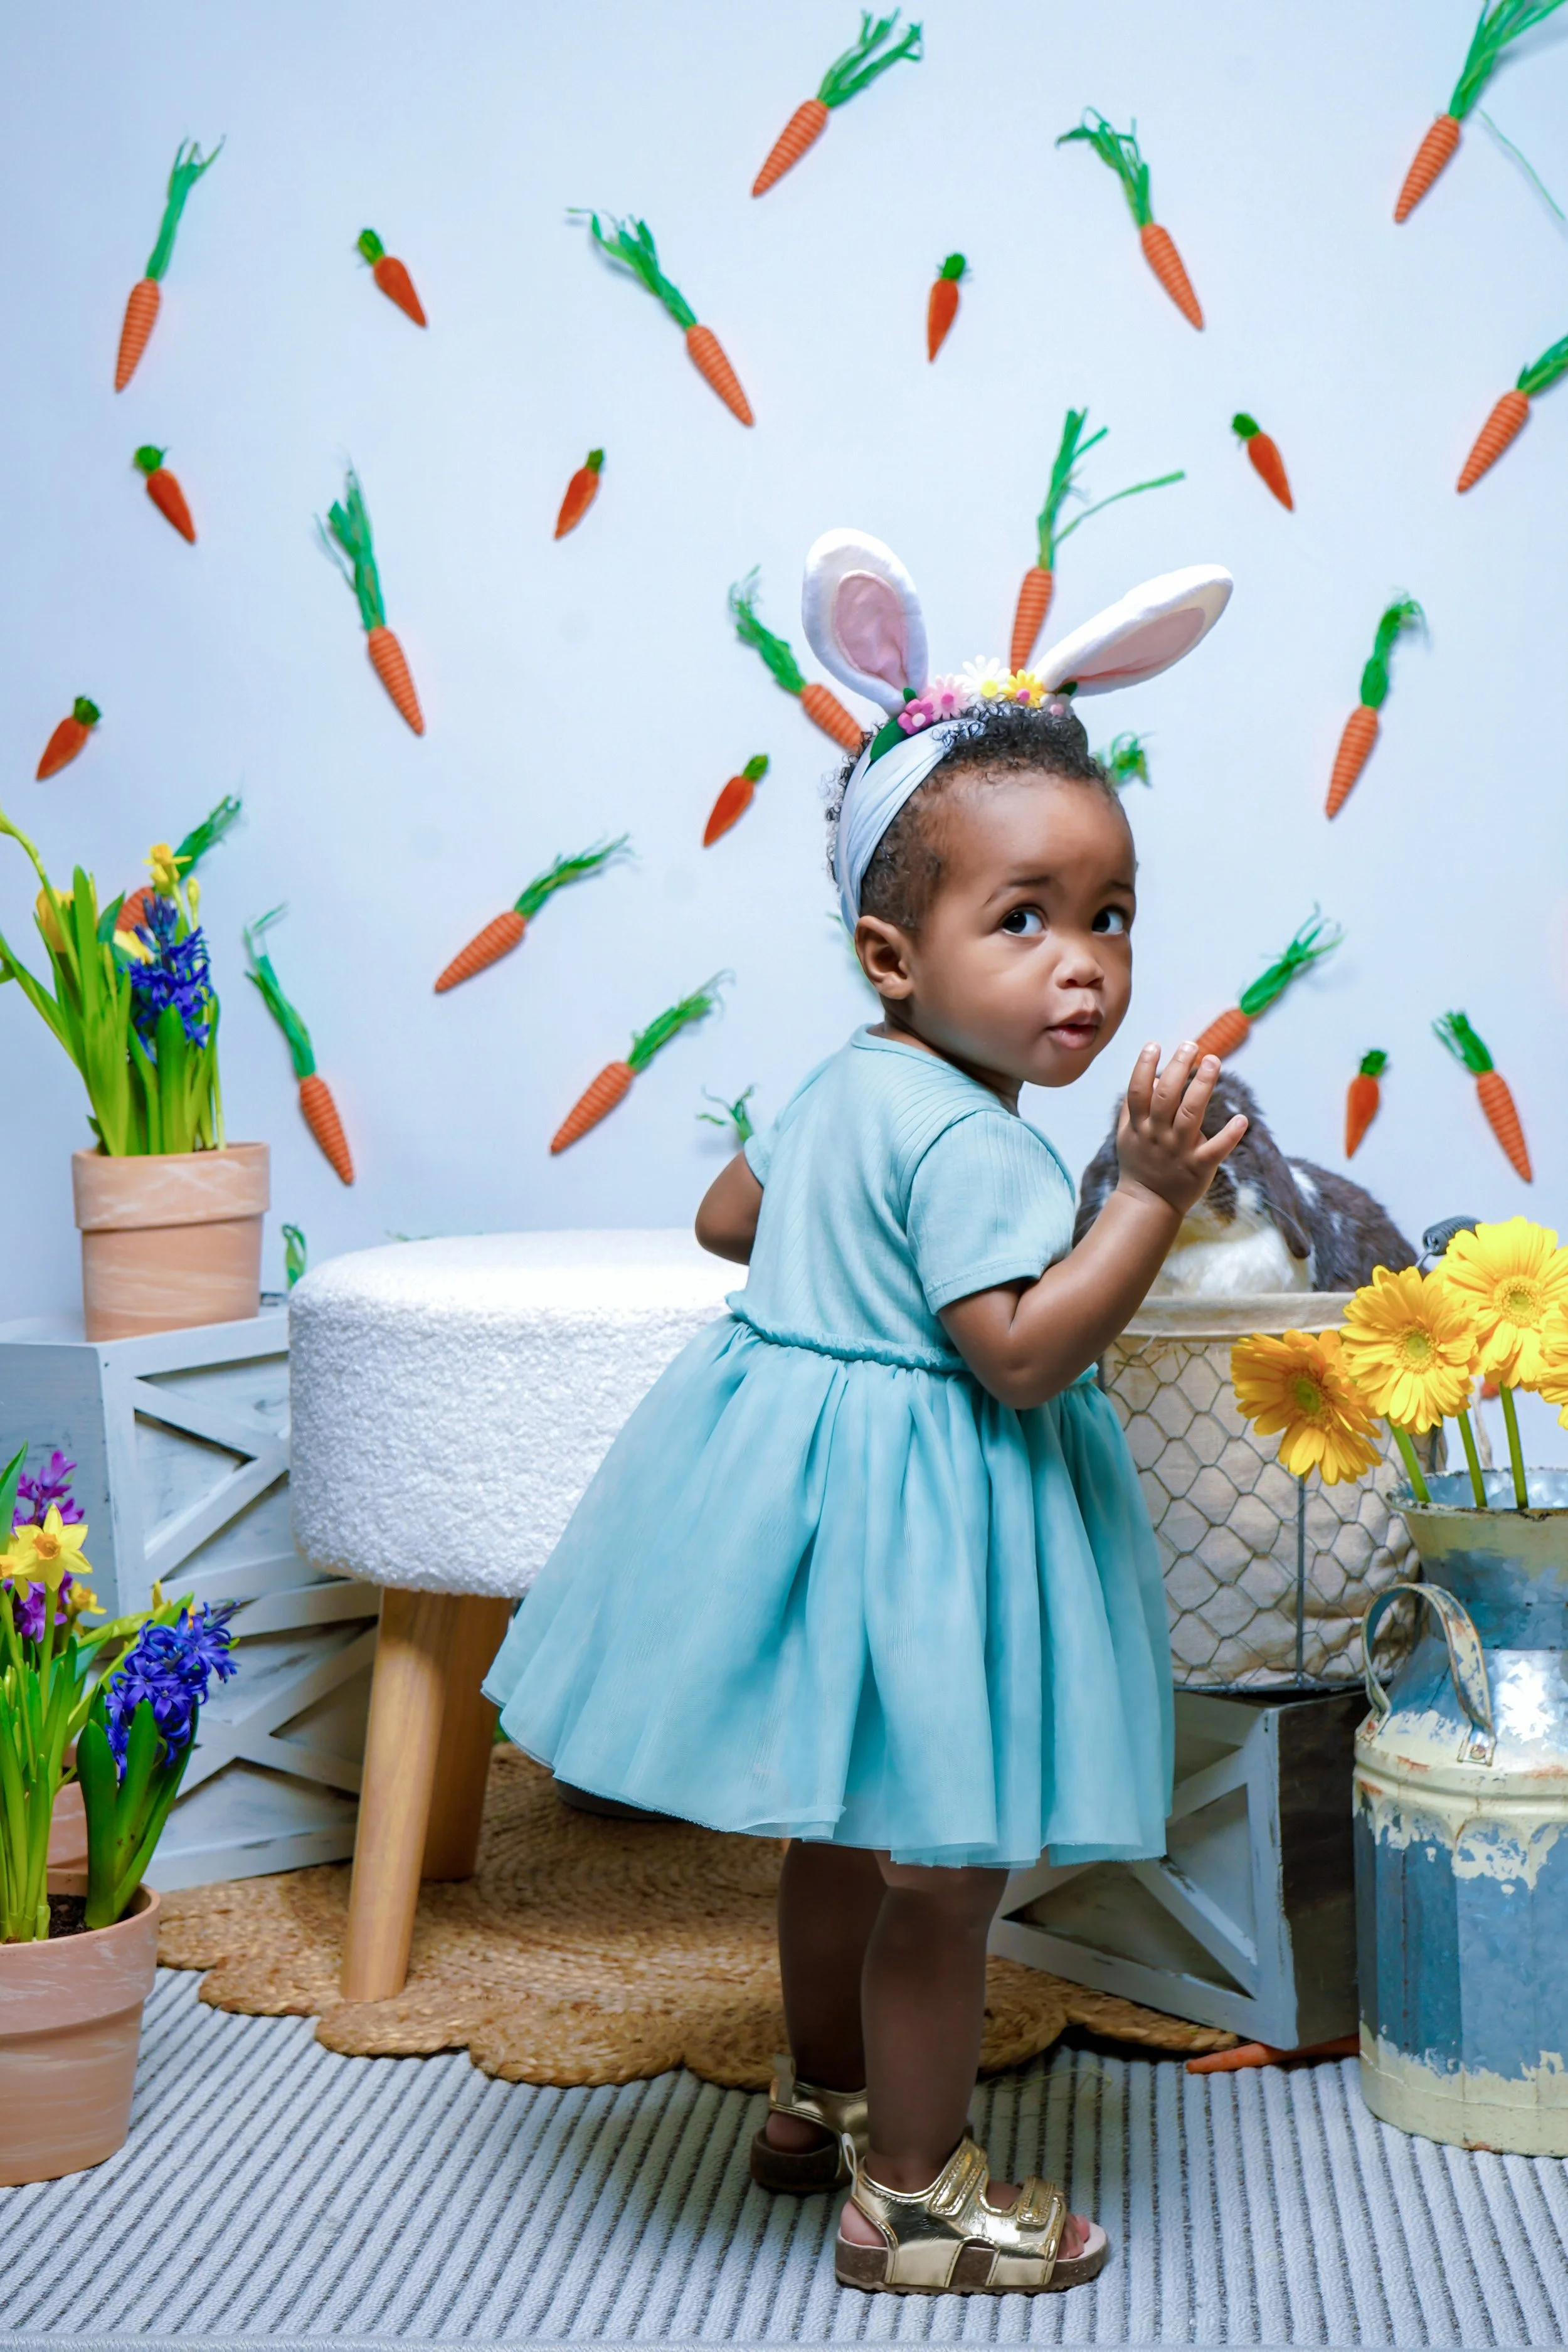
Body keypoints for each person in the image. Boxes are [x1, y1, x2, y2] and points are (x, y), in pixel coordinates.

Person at [485, 534, 1241, 2296]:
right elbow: (1023, 1356)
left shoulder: (844, 1082)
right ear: (892, 953)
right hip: (933, 1522)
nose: (1083, 966)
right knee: (945, 1871)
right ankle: (913, 2192)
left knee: (834, 1825)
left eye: (1107, 913)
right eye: (1025, 918)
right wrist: (1137, 1197)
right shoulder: (976, 1139)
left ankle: (819, 2088)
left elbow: (727, 1221)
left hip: (802, 1503)